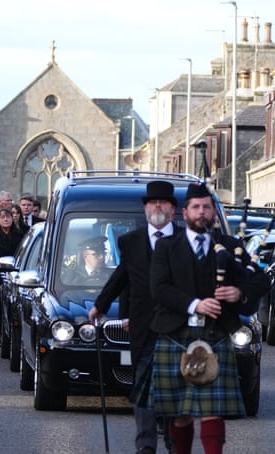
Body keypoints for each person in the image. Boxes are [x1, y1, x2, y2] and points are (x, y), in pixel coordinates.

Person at [148, 183, 267, 454]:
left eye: (207, 207)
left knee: (213, 410)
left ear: (214, 211)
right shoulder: (167, 247)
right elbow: (159, 288)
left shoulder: (230, 246)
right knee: (180, 412)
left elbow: (261, 279)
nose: (201, 212)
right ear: (184, 213)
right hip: (176, 334)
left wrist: (239, 293)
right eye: (196, 207)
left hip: (215, 334)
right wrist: (195, 304)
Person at [90, 180, 177, 454]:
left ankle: (175, 443)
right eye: (153, 202)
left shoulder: (186, 241)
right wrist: (101, 305)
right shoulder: (131, 242)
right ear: (145, 209)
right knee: (144, 388)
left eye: (163, 202)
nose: (158, 206)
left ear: (173, 210)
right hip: (143, 327)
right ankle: (145, 447)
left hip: (178, 327)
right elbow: (122, 277)